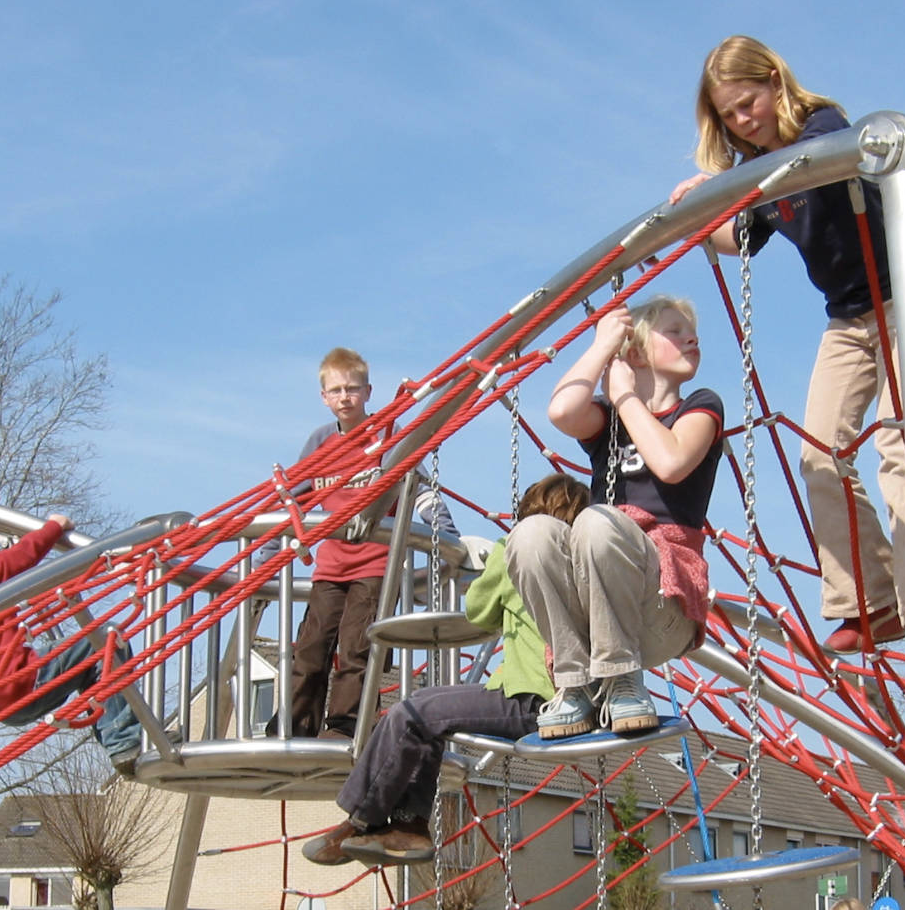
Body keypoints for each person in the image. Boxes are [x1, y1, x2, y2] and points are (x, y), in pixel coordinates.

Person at [667, 34, 905, 654]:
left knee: (900, 447)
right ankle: (870, 602)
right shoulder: (759, 175)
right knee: (819, 452)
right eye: (728, 115)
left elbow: (809, 167)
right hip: (846, 320)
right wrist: (704, 215)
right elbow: (742, 239)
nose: (742, 120)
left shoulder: (822, 130)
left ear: (774, 84)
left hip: (901, 306)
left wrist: (738, 184)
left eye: (747, 103)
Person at [301, 473, 586, 867]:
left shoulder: (518, 552)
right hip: (559, 697)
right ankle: (409, 825)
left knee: (413, 712)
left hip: (534, 700)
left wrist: (490, 560)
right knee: (426, 714)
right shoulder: (583, 560)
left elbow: (478, 612)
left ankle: (360, 818)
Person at [506, 296, 724, 739]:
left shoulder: (700, 406)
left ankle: (624, 678)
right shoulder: (607, 421)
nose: (691, 337)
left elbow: (670, 462)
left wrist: (624, 395)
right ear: (637, 353)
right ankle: (574, 684)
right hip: (597, 608)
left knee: (597, 521)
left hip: (663, 602)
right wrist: (602, 347)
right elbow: (562, 411)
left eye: (691, 330)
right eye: (674, 331)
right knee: (532, 534)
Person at [279, 347, 458, 739]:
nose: (345, 397)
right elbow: (295, 501)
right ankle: (295, 723)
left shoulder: (388, 438)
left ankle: (346, 724)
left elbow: (420, 490)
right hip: (331, 565)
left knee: (357, 647)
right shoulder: (320, 442)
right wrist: (271, 550)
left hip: (375, 566)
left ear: (368, 391)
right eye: (336, 390)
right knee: (311, 645)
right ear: (323, 397)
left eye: (353, 389)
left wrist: (446, 533)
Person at [0, 491, 142, 774]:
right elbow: (26, 553)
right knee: (107, 640)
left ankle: (115, 734)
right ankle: (122, 740)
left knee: (90, 662)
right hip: (22, 681)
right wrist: (55, 525)